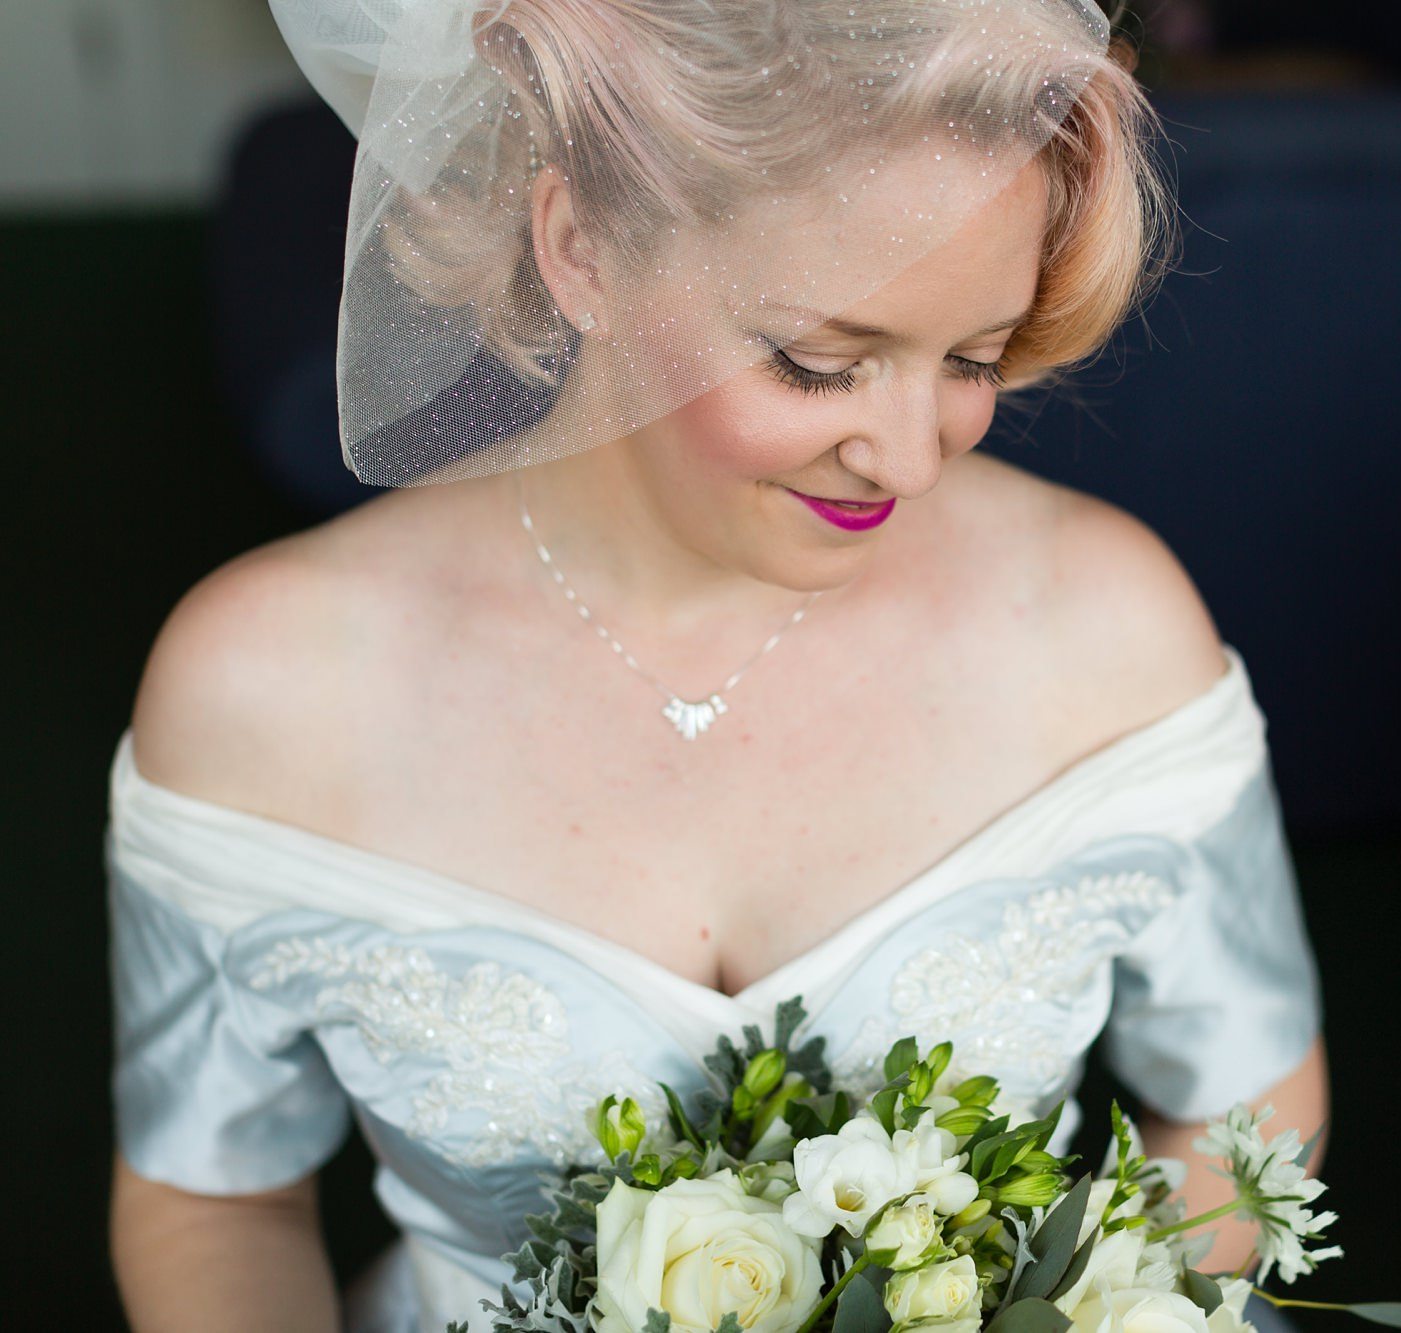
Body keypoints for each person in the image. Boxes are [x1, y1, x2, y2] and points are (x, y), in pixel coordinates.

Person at [105, 2, 1328, 1329]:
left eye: (974, 359)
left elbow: (1246, 1104)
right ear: (580, 247)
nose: (911, 458)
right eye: (820, 363)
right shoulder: (267, 687)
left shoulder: (1108, 626)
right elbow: (217, 1203)